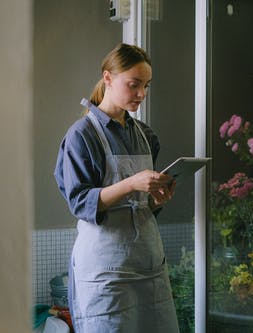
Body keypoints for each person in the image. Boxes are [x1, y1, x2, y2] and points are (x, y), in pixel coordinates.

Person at [54, 43, 180, 333]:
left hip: (149, 267)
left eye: (146, 86)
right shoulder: (82, 135)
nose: (142, 94)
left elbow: (140, 206)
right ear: (108, 78)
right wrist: (132, 183)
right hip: (105, 272)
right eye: (134, 84)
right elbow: (81, 203)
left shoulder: (146, 135)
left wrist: (156, 200)